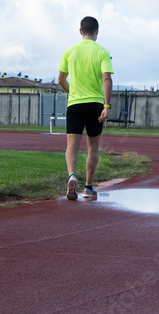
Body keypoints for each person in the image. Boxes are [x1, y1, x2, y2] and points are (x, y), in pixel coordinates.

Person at [57, 16, 114, 200]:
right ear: (97, 31)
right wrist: (106, 106)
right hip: (95, 105)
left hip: (75, 104)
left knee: (71, 147)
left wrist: (71, 91)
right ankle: (88, 188)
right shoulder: (102, 52)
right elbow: (107, 79)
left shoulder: (70, 51)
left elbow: (60, 80)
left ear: (80, 32)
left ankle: (72, 175)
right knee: (93, 148)